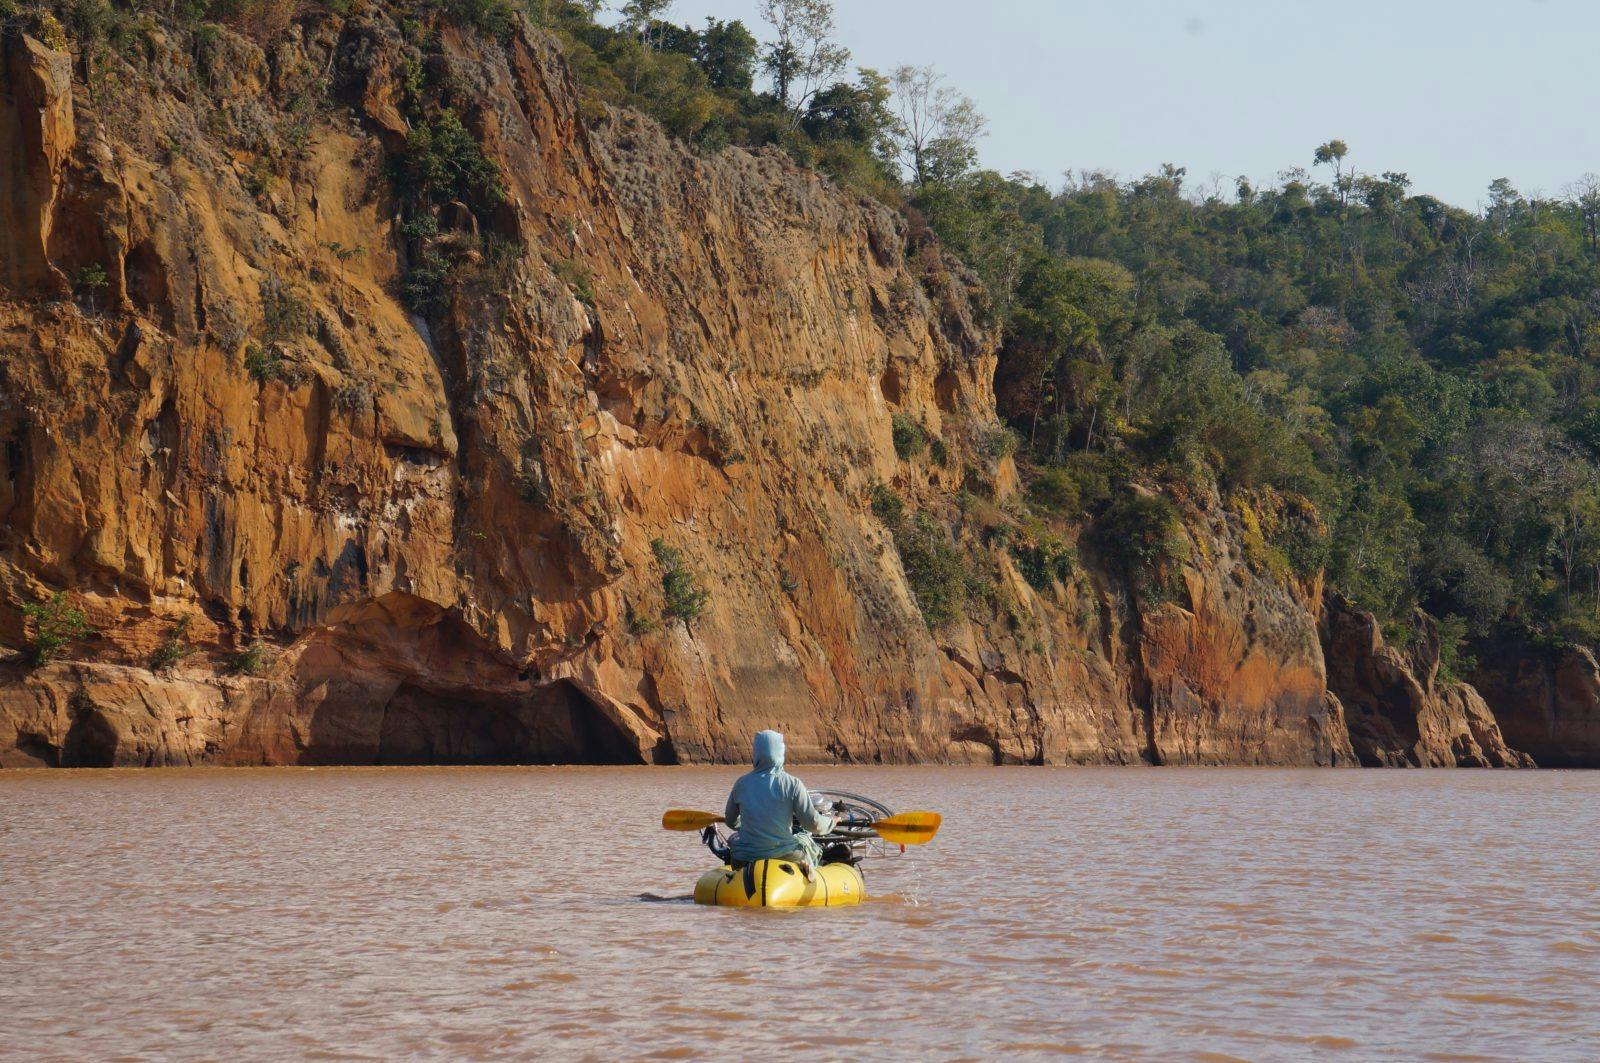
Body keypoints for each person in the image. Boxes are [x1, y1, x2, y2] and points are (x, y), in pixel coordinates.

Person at [724, 730, 834, 873]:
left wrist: (750, 826)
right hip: (785, 855)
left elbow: (730, 821)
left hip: (744, 858)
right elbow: (812, 824)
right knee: (806, 841)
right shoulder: (793, 784)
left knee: (735, 843)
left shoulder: (741, 784)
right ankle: (809, 870)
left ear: (756, 753)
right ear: (781, 752)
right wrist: (832, 821)